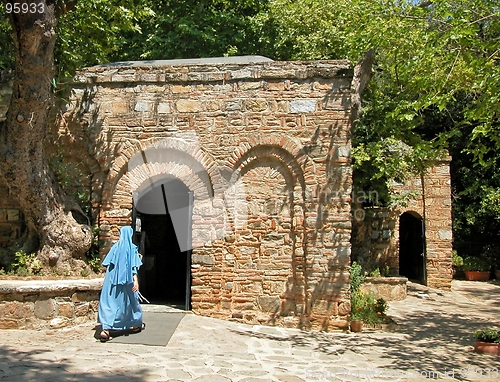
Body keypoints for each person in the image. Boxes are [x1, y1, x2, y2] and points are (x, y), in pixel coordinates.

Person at [98, 226, 145, 342]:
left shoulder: (115, 248)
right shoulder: (132, 248)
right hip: (127, 281)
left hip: (112, 282)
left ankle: (106, 330)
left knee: (109, 303)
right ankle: (135, 324)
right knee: (131, 302)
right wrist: (136, 281)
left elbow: (106, 264)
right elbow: (134, 267)